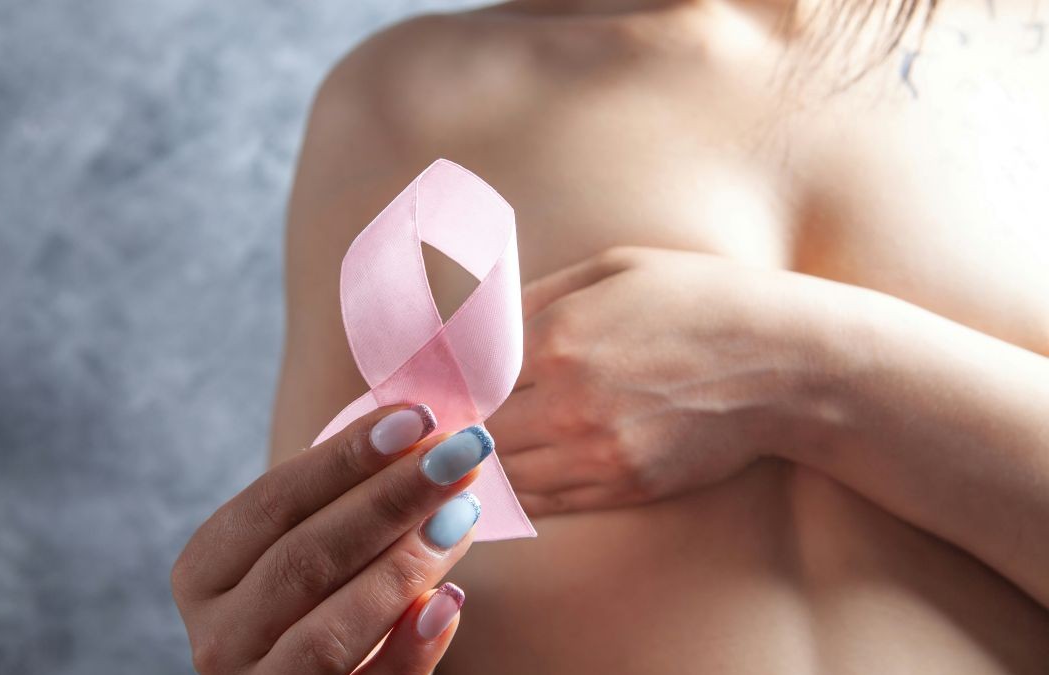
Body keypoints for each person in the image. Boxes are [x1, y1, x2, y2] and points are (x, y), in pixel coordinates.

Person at [172, 0, 1049, 672]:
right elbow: (336, 591)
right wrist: (296, 637)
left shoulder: (1026, 50)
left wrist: (800, 368)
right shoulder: (398, 98)